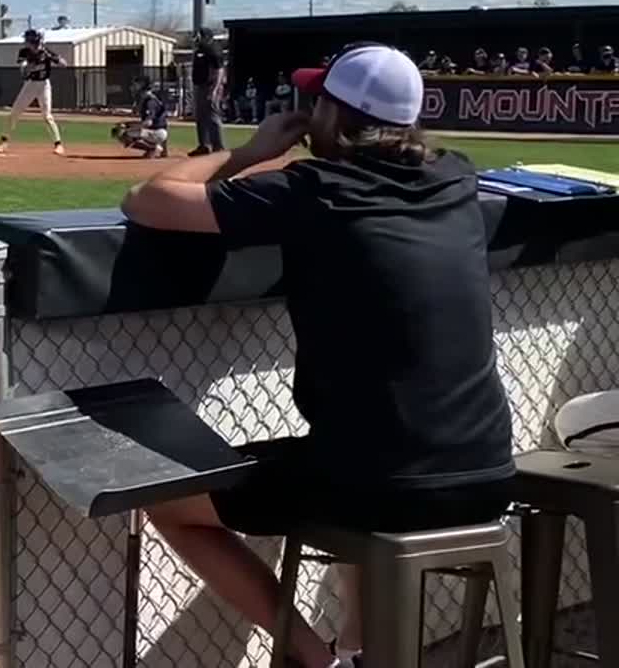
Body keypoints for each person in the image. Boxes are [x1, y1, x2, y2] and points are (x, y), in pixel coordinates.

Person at [122, 43, 514, 668]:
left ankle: (315, 658)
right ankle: (357, 651)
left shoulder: (314, 190)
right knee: (355, 467)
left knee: (168, 501)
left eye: (317, 102)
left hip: (378, 483)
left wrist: (251, 153)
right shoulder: (456, 176)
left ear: (334, 117)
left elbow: (147, 199)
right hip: (488, 474)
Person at [0, 29, 66, 156]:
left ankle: (58, 144)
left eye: (28, 40)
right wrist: (33, 62)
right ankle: (3, 141)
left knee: (47, 115)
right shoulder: (24, 52)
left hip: (44, 85)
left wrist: (51, 57)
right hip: (30, 85)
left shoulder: (46, 51)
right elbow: (24, 70)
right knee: (14, 113)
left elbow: (64, 64)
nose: (26, 42)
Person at [190, 28, 225, 155]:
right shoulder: (199, 50)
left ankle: (218, 147)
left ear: (206, 37)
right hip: (200, 86)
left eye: (198, 36)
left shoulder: (213, 49)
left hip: (210, 86)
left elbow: (219, 70)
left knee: (212, 116)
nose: (196, 39)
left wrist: (214, 90)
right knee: (200, 117)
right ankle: (203, 146)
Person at [134, 75, 170, 158]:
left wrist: (131, 127)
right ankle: (155, 148)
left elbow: (148, 123)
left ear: (143, 85)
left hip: (156, 133)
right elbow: (164, 122)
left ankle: (153, 148)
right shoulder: (153, 98)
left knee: (123, 134)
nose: (135, 86)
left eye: (137, 84)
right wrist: (165, 150)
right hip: (159, 132)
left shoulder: (149, 101)